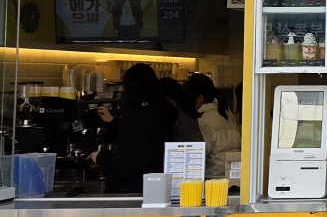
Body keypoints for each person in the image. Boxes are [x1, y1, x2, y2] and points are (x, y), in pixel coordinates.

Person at [92, 63, 177, 193]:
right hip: (158, 187)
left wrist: (101, 157)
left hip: (134, 190)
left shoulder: (136, 117)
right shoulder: (164, 112)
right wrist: (113, 122)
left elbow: (127, 164)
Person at [186, 72, 241, 180]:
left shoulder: (202, 119)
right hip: (233, 175)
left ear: (200, 98)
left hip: (213, 178)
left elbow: (198, 157)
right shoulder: (226, 112)